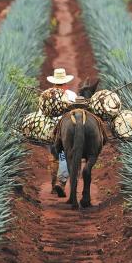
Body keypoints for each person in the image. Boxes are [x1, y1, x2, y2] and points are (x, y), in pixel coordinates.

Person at [47, 68, 77, 197]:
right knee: (64, 156)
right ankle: (61, 182)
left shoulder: (46, 94)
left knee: (54, 157)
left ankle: (54, 186)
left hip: (51, 130)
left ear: (54, 83)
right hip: (67, 131)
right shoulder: (71, 95)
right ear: (65, 83)